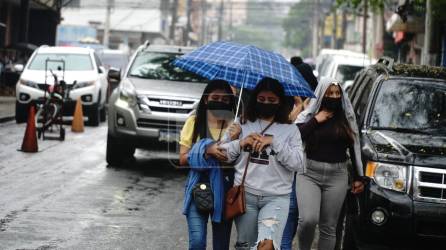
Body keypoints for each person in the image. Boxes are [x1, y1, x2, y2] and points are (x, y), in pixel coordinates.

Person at [220, 77, 304, 250]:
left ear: (280, 101)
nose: (266, 103)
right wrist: (237, 141)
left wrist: (274, 142)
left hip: (276, 198)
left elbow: (299, 164)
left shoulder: (290, 129)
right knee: (246, 246)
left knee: (267, 246)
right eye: (262, 99)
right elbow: (222, 155)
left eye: (271, 100)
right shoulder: (242, 123)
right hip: (245, 196)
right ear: (255, 99)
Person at [294, 77, 366, 250]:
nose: (333, 97)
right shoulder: (310, 115)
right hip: (309, 173)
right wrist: (316, 120)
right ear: (321, 95)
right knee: (308, 220)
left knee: (329, 227)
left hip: (337, 176)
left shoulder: (346, 118)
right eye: (329, 93)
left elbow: (354, 147)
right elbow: (295, 137)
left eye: (336, 93)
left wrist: (359, 177)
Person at [179, 79, 238, 250]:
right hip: (197, 188)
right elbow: (182, 159)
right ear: (206, 99)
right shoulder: (194, 122)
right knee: (197, 242)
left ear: (230, 102)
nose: (220, 102)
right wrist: (206, 150)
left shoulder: (235, 127)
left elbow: (238, 163)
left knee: (221, 245)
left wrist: (235, 142)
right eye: (215, 97)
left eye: (225, 99)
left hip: (225, 190)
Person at [281, 56, 320, 250]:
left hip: (306, 167)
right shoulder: (286, 100)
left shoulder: (317, 104)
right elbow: (287, 127)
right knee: (290, 211)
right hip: (288, 167)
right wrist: (298, 106)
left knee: (296, 212)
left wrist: (303, 106)